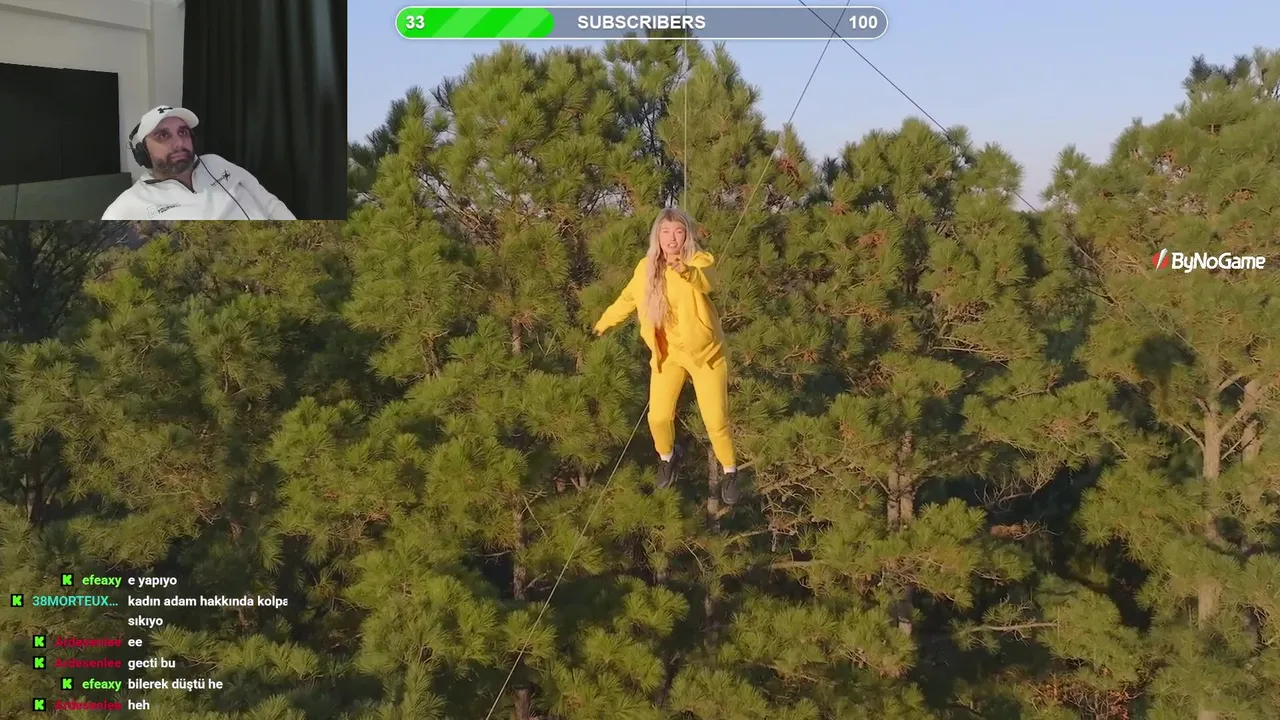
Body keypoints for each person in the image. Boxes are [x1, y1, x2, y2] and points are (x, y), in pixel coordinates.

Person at [593, 207, 743, 505]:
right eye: (666, 232)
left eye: (678, 232)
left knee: (715, 421)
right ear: (657, 237)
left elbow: (707, 281)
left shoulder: (698, 260)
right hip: (668, 355)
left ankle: (730, 472)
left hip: (706, 355)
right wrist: (602, 323)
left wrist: (684, 270)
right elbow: (627, 299)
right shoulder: (645, 268)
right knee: (658, 417)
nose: (672, 238)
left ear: (686, 236)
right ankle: (668, 457)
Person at [102, 106, 296, 221]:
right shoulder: (127, 206)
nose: (179, 143)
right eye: (163, 135)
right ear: (142, 152)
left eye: (183, 132)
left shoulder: (216, 162)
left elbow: (269, 203)